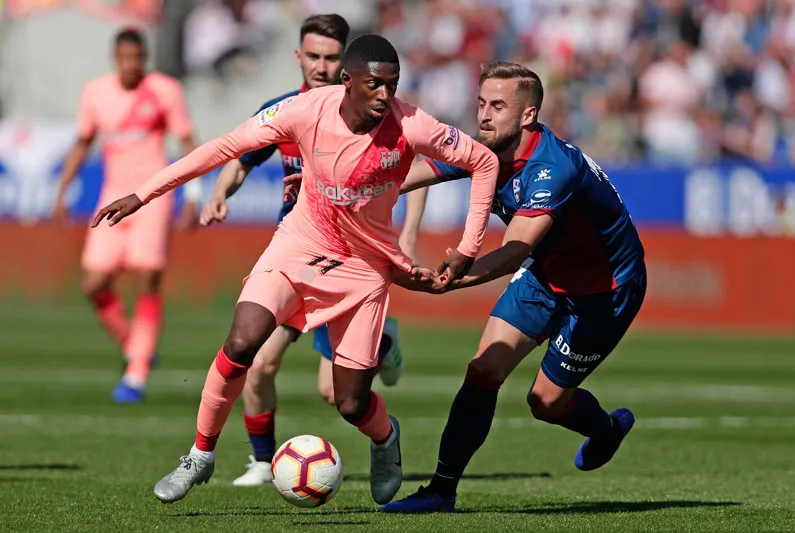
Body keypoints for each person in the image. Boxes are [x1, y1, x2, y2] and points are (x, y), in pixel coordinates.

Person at [91, 34, 499, 506]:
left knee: (349, 402)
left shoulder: (412, 124)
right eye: (374, 85)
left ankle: (386, 439)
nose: (385, 96)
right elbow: (224, 147)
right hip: (299, 246)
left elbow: (483, 160)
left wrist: (468, 248)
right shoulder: (303, 111)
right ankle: (199, 455)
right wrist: (144, 194)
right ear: (347, 81)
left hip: (364, 269)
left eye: (392, 85)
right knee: (242, 344)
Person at [381, 61, 647, 513]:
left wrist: (453, 278)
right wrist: (343, 192)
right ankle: (441, 491)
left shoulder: (551, 169)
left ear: (528, 115)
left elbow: (514, 251)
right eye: (482, 103)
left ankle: (605, 429)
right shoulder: (484, 148)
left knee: (544, 402)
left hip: (605, 291)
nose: (484, 115)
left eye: (498, 106)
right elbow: (412, 175)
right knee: (483, 372)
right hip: (547, 276)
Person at [198, 13, 426, 487]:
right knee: (256, 360)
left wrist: (406, 238)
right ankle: (262, 461)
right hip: (295, 257)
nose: (320, 67)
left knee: (334, 393)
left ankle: (383, 345)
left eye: (330, 58)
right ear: (298, 56)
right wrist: (221, 193)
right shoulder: (284, 110)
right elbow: (241, 158)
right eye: (313, 56)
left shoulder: (373, 117)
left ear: (345, 65)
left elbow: (417, 167)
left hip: (348, 266)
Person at [54, 27, 201, 404]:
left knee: (146, 279)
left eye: (137, 58)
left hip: (151, 198)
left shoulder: (165, 90)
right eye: (125, 59)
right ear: (115, 58)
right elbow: (83, 142)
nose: (131, 65)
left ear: (145, 58)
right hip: (111, 199)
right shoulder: (96, 92)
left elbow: (187, 144)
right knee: (93, 283)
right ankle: (135, 345)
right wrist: (63, 190)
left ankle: (135, 375)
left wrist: (193, 196)